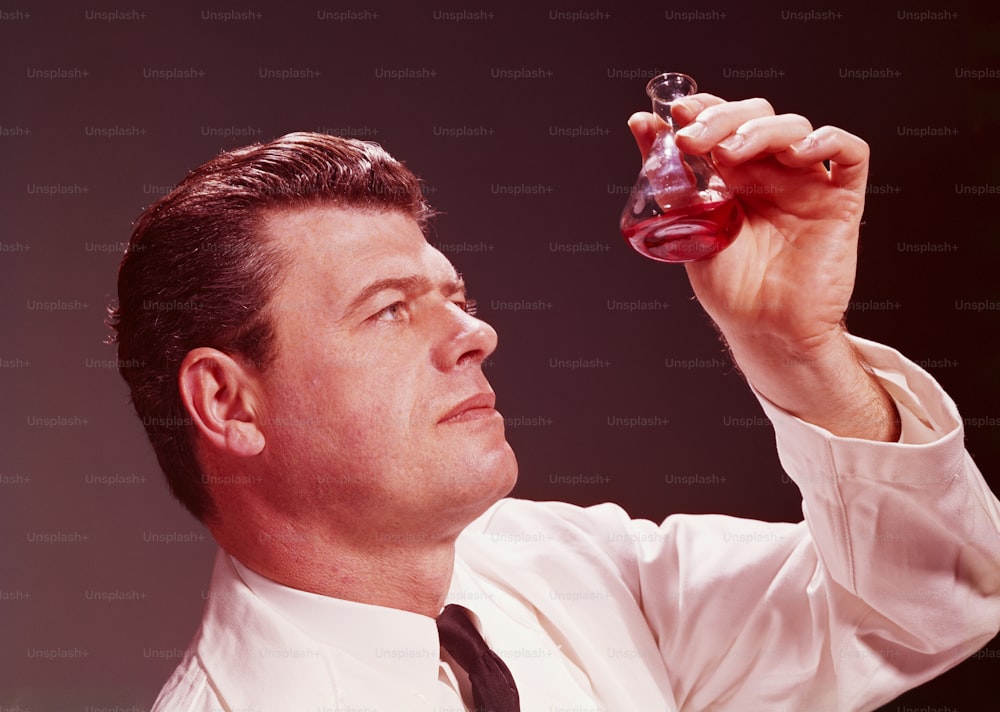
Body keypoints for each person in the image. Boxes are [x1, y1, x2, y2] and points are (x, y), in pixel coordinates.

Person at [110, 93, 1000, 711]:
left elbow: (939, 596)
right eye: (388, 309)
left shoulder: (569, 565)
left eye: (454, 297)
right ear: (228, 404)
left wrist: (795, 349)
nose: (475, 334)